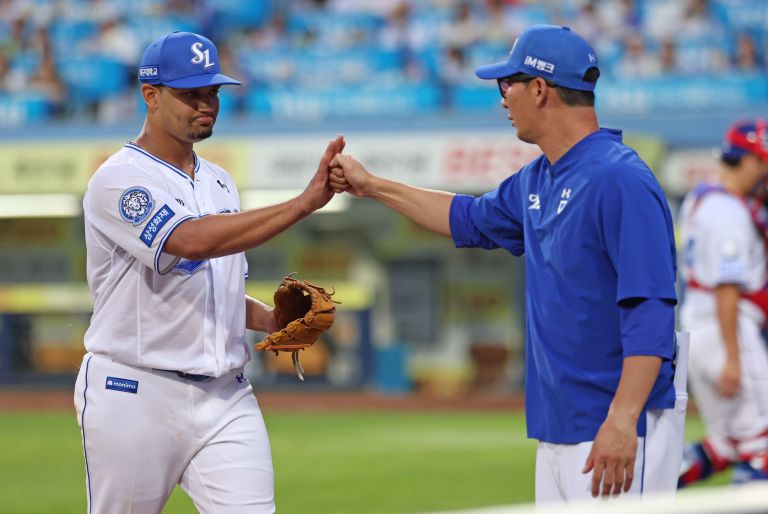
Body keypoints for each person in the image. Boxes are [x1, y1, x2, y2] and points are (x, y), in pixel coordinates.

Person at [329, 24, 684, 503]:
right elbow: (465, 218)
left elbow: (651, 310)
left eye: (506, 84)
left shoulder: (620, 178)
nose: (501, 99)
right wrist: (371, 186)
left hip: (618, 424)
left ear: (539, 89)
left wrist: (622, 419)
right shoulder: (538, 178)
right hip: (558, 426)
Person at [74, 31, 344, 514]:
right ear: (151, 95)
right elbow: (190, 241)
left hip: (226, 396)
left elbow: (212, 286)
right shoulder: (119, 178)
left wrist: (269, 319)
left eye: (213, 91)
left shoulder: (220, 181)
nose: (207, 104)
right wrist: (303, 204)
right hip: (135, 390)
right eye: (191, 93)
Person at [678, 119, 768, 486]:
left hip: (698, 330)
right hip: (727, 330)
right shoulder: (728, 212)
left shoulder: (700, 198)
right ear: (750, 160)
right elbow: (726, 287)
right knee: (763, 445)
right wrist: (733, 357)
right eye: (766, 164)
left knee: (726, 445)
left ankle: (649, 485)